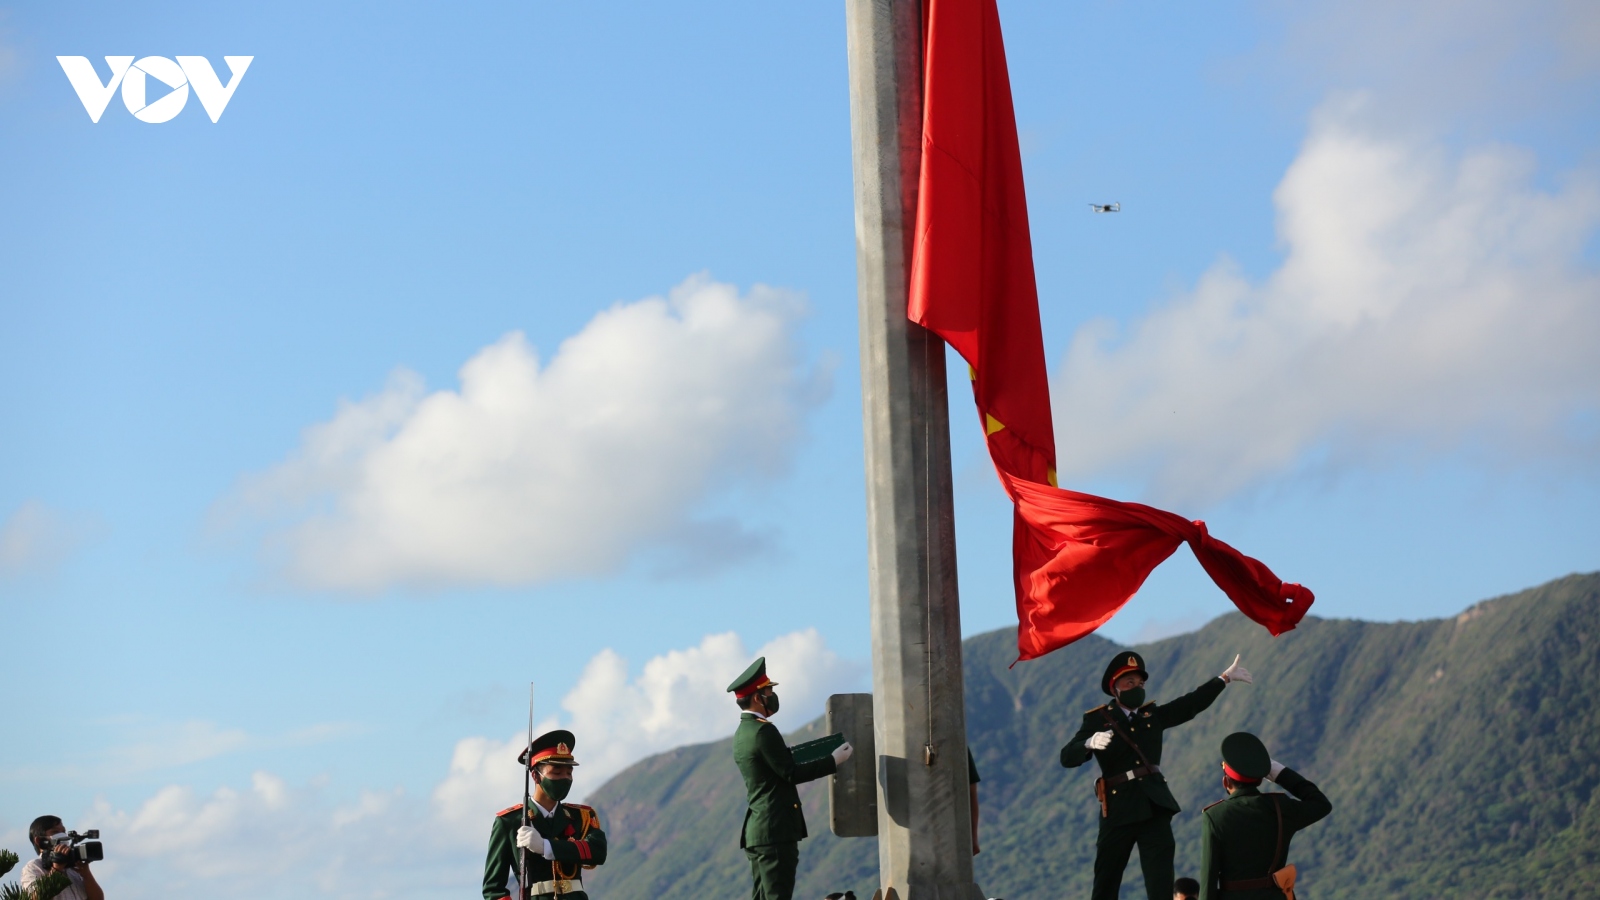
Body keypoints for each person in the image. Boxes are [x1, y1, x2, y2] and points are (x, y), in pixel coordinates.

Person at [1060, 650, 1254, 900]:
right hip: (1118, 807)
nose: (1137, 687)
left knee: (1160, 879)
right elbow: (1066, 757)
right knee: (1107, 877)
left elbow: (1190, 704)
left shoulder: (1152, 717)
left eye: (1140, 683)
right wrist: (1088, 743)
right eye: (1129, 682)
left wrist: (1224, 678)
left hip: (1155, 804)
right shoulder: (1099, 720)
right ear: (1114, 687)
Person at [728, 656, 853, 900]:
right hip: (775, 830)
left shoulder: (742, 733)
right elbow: (790, 773)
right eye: (768, 691)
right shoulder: (764, 731)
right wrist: (833, 761)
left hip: (760, 830)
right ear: (757, 697)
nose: (772, 696)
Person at [1198, 732, 1331, 900]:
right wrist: (1277, 771)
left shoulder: (1214, 817)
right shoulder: (1280, 808)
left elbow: (1208, 881)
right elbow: (1321, 804)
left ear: (1226, 781)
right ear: (1260, 780)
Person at [481, 729, 607, 900]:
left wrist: (546, 847)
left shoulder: (581, 817)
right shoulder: (509, 821)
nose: (565, 778)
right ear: (535, 776)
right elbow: (493, 889)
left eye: (569, 773)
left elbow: (598, 851)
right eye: (556, 773)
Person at [19, 816, 104, 900]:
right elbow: (35, 898)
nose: (62, 835)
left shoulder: (72, 868)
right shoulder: (34, 867)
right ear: (39, 841)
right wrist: (57, 869)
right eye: (55, 832)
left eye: (63, 831)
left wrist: (86, 875)